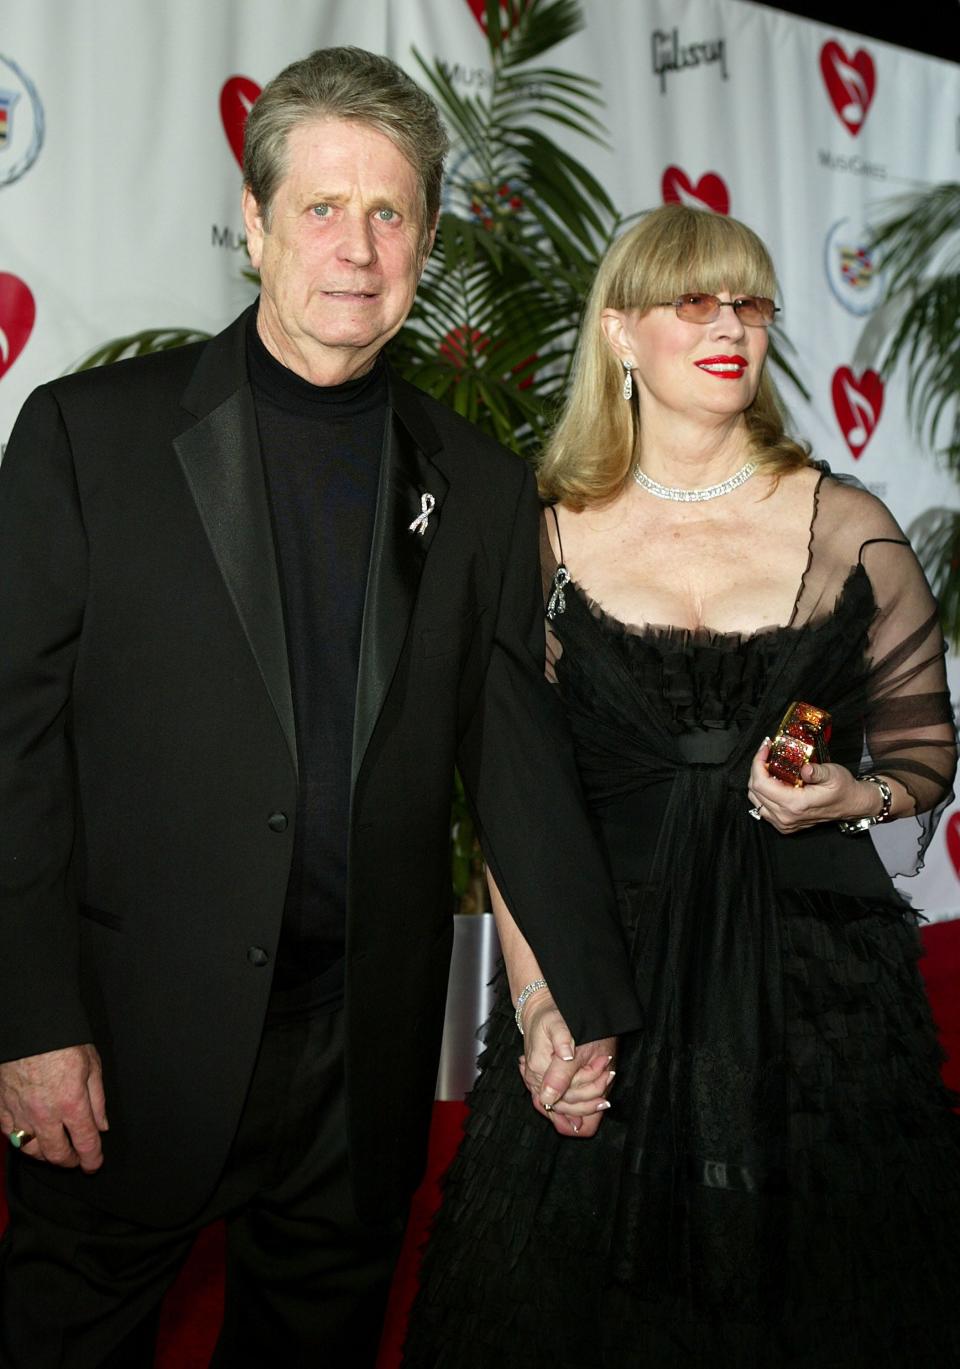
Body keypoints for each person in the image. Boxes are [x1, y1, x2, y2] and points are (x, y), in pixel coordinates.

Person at [0, 46, 642, 1368]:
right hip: (125, 1048)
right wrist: (29, 1021)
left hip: (359, 1060)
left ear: (424, 234)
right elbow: (10, 751)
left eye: (391, 211)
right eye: (321, 209)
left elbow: (510, 747)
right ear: (253, 224)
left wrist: (560, 995)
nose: (358, 247)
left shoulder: (475, 483)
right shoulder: (86, 436)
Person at [403, 204, 960, 1368]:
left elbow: (923, 756)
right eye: (693, 301)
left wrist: (848, 796)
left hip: (822, 997)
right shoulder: (541, 537)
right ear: (619, 333)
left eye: (751, 303)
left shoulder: (849, 525)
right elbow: (518, 796)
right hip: (609, 978)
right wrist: (542, 996)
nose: (732, 327)